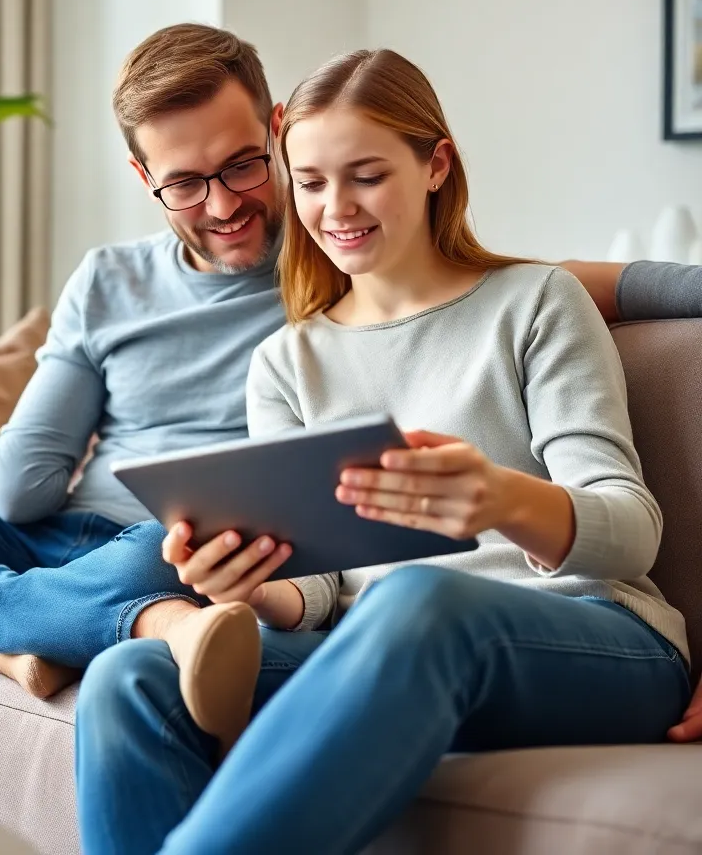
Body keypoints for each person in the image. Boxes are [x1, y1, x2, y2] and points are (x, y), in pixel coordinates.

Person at [0, 23, 702, 730]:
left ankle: (103, 620)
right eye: (184, 183)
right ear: (144, 178)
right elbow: (19, 489)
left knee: (149, 556)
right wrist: (65, 376)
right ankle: (10, 636)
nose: (223, 205)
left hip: (189, 549)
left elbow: (507, 283)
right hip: (62, 542)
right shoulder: (107, 281)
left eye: (245, 166)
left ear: (278, 131)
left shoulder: (340, 252)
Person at [72, 49, 695, 855]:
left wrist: (503, 499)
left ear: (436, 165)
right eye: (310, 182)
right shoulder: (287, 362)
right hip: (388, 648)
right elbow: (319, 587)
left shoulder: (537, 303)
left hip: (599, 637)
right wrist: (249, 585)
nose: (336, 208)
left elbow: (632, 531)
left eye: (365, 176)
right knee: (130, 676)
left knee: (416, 599)